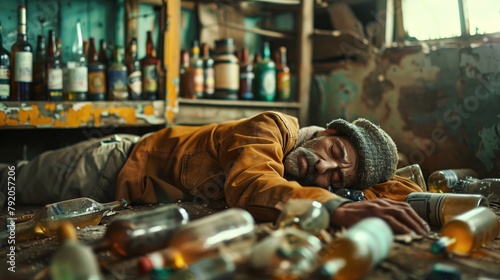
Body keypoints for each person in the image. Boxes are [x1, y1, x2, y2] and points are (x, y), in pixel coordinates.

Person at [0, 111, 428, 235]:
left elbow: (392, 188)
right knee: (11, 185)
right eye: (333, 151)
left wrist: (426, 204)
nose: (325, 168)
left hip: (119, 202)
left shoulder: (299, 182)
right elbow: (250, 183)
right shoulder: (274, 127)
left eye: (337, 178)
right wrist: (333, 204)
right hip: (108, 166)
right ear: (328, 132)